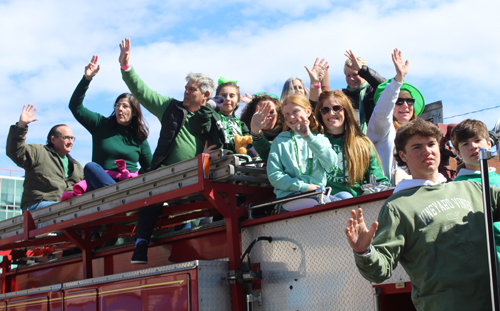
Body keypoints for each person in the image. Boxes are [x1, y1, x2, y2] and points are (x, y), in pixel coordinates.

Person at [345, 118, 499, 311]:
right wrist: (363, 251)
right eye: (417, 147)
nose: (427, 151)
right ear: (403, 155)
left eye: (431, 144)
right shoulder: (398, 206)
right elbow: (379, 271)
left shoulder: (473, 188)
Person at [119, 38, 216, 264]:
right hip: (164, 173)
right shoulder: (171, 108)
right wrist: (126, 67)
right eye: (185, 88)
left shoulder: (212, 119)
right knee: (154, 188)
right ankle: (141, 243)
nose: (186, 92)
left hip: (194, 176)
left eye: (192, 89)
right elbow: (142, 92)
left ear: (206, 94)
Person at [69, 55, 152, 192]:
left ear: (134, 112)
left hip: (130, 184)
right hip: (102, 185)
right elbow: (75, 107)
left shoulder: (139, 137)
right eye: (117, 105)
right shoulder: (101, 124)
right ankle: (116, 194)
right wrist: (87, 79)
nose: (120, 109)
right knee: (90, 167)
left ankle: (121, 194)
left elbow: (150, 167)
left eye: (125, 106)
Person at [267, 94, 338, 212]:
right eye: (286, 114)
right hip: (289, 198)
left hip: (319, 195)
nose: (291, 117)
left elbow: (331, 164)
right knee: (328, 203)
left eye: (295, 111)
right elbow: (275, 176)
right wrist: (304, 187)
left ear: (308, 111)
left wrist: (308, 137)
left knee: (346, 197)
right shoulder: (280, 141)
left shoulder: (320, 139)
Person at [6, 105, 84, 211]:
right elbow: (15, 151)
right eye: (66, 138)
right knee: (65, 209)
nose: (70, 142)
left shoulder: (77, 166)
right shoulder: (38, 152)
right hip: (37, 206)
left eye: (72, 138)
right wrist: (21, 126)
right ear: (53, 140)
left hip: (66, 208)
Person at [315, 90, 388, 198]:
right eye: (325, 110)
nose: (331, 113)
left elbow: (379, 181)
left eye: (336, 108)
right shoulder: (313, 142)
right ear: (320, 114)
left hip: (356, 204)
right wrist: (315, 84)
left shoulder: (363, 144)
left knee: (346, 196)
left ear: (346, 111)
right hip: (324, 204)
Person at [367, 49, 425, 181]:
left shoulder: (422, 132)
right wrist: (398, 79)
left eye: (409, 101)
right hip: (390, 192)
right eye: (399, 101)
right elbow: (383, 109)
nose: (405, 105)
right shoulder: (382, 128)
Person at [451, 119, 500, 262]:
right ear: (458, 152)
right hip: (487, 266)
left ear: (489, 143)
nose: (473, 146)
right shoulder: (455, 187)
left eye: (477, 140)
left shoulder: (498, 177)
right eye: (465, 144)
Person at [185, 79, 253, 155]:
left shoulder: (241, 124)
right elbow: (196, 127)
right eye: (223, 95)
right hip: (218, 161)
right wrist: (209, 106)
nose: (227, 98)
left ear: (238, 101)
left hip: (239, 162)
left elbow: (249, 141)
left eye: (232, 96)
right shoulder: (211, 116)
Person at [342, 50, 386, 133]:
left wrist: (363, 70)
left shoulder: (373, 91)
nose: (351, 78)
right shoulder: (342, 97)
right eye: (348, 75)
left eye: (355, 74)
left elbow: (386, 88)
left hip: (373, 139)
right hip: (350, 140)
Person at [240, 93, 281, 162]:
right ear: (251, 115)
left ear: (278, 116)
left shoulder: (286, 135)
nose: (267, 115)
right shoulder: (242, 134)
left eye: (271, 112)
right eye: (261, 111)